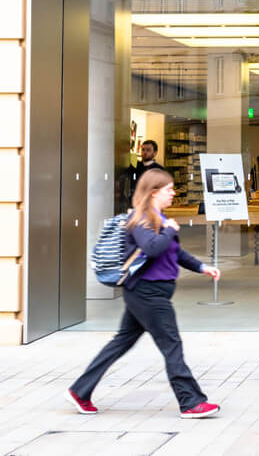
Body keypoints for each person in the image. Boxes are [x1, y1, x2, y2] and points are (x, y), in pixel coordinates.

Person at [67, 169, 222, 418]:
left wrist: (202, 267)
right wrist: (169, 230)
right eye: (169, 189)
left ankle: (79, 391)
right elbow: (151, 248)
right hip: (148, 294)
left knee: (121, 342)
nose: (173, 193)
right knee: (172, 345)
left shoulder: (158, 219)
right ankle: (191, 401)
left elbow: (174, 253)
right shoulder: (141, 220)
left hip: (147, 293)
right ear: (153, 193)